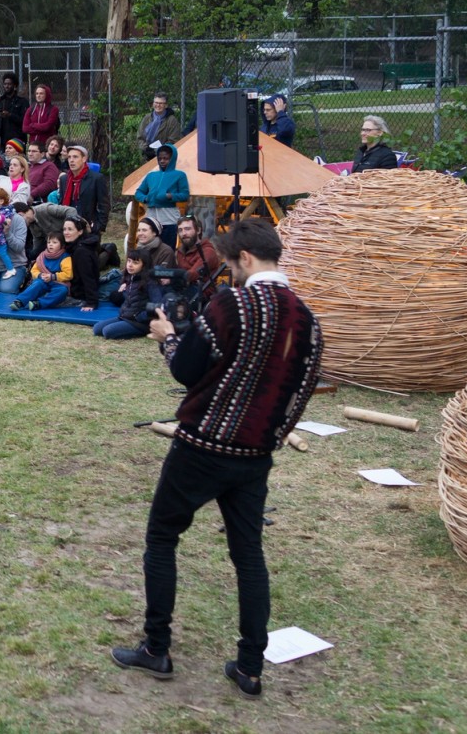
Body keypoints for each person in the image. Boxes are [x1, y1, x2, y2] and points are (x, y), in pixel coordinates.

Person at [112, 220, 323, 700]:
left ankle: (156, 647)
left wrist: (167, 337)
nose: (230, 271)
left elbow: (187, 369)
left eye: (231, 263)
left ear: (246, 258)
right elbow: (303, 388)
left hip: (203, 445)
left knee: (162, 537)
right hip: (255, 455)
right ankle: (250, 667)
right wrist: (272, 438)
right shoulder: (307, 319)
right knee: (249, 556)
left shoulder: (232, 303)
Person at [94, 247, 167, 339]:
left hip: (140, 322)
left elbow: (158, 306)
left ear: (144, 265)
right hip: (126, 317)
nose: (130, 265)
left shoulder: (151, 282)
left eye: (135, 263)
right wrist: (121, 292)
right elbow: (126, 301)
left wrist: (140, 317)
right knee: (97, 329)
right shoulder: (129, 278)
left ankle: (142, 332)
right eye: (129, 261)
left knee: (107, 332)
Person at [133, 144, 189, 244]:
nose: (162, 161)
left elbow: (185, 195)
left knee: (167, 247)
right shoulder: (151, 175)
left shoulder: (180, 175)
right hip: (151, 216)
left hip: (169, 218)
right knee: (149, 247)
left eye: (166, 158)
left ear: (172, 159)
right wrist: (146, 198)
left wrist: (170, 196)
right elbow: (138, 192)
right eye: (160, 158)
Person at [10, 233, 73, 310]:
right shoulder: (42, 256)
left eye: (54, 242)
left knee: (62, 291)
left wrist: (52, 277)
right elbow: (34, 270)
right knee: (37, 284)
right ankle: (19, 301)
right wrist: (40, 275)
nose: (51, 245)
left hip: (58, 282)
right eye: (49, 242)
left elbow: (68, 274)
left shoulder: (65, 257)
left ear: (62, 245)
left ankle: (39, 303)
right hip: (43, 280)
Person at [58, 144, 109, 236]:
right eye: (69, 157)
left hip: (88, 225)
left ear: (84, 159)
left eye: (75, 157)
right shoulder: (64, 179)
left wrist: (99, 227)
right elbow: (62, 203)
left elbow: (104, 205)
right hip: (68, 226)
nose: (71, 160)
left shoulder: (96, 178)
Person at [174, 216, 223, 300]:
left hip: (202, 293)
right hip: (183, 289)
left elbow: (193, 274)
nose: (183, 233)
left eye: (187, 229)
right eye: (180, 230)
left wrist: (172, 276)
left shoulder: (208, 251)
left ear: (198, 230)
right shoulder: (180, 251)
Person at [0, 72, 28, 148]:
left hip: (16, 139)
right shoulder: (1, 100)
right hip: (1, 140)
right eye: (5, 84)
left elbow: (24, 121)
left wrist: (10, 115)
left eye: (9, 84)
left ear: (14, 85)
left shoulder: (22, 102)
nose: (6, 86)